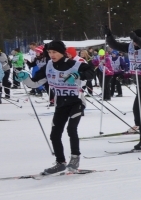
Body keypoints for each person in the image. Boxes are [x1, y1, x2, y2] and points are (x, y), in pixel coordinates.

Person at [16, 40, 95, 174]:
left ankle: (75, 158)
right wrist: (25, 78)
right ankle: (60, 162)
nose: (52, 55)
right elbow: (35, 83)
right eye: (49, 52)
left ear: (62, 52)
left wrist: (77, 75)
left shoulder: (74, 64)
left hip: (76, 102)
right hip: (61, 104)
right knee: (55, 134)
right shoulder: (48, 66)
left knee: (71, 129)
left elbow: (91, 73)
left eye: (55, 52)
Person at [105, 26, 141, 150]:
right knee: (139, 111)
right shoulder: (130, 47)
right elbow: (115, 45)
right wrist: (109, 36)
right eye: (133, 41)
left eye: (136, 41)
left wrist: (138, 39)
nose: (134, 43)